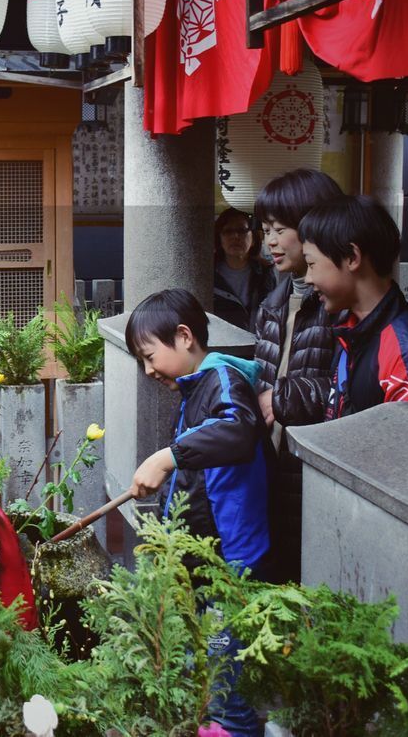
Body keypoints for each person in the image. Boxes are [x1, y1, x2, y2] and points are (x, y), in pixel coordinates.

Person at [126, 288, 270, 737]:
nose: (148, 370)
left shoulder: (222, 380)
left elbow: (237, 431)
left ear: (185, 336)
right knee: (206, 675)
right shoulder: (195, 392)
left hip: (234, 565)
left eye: (150, 356)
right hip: (206, 567)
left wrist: (165, 456)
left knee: (228, 690)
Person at [252, 168, 344, 583]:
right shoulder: (274, 301)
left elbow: (349, 395)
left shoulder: (336, 305)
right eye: (265, 229)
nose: (269, 240)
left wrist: (284, 398)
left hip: (311, 466)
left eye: (280, 229)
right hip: (272, 460)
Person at [299, 195, 408, 418]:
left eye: (311, 264)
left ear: (352, 257)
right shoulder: (353, 329)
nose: (308, 278)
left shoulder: (406, 352)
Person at [213, 208, 276, 333]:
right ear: (219, 238)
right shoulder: (209, 273)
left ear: (253, 238)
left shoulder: (265, 272)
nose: (235, 237)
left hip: (256, 343)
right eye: (228, 231)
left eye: (242, 230)